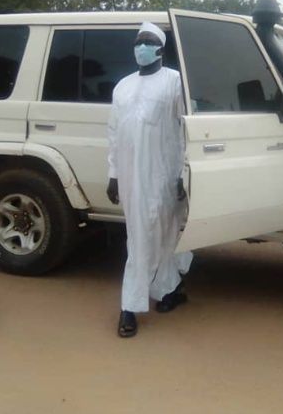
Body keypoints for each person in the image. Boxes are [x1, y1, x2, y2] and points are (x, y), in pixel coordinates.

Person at [107, 22, 191, 338]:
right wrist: (113, 174)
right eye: (138, 41)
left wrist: (183, 173)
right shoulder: (122, 86)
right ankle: (130, 306)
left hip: (165, 174)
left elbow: (185, 131)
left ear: (160, 48)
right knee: (140, 238)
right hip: (131, 177)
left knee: (168, 234)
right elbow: (114, 133)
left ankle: (169, 290)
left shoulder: (175, 83)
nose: (140, 46)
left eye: (147, 41)